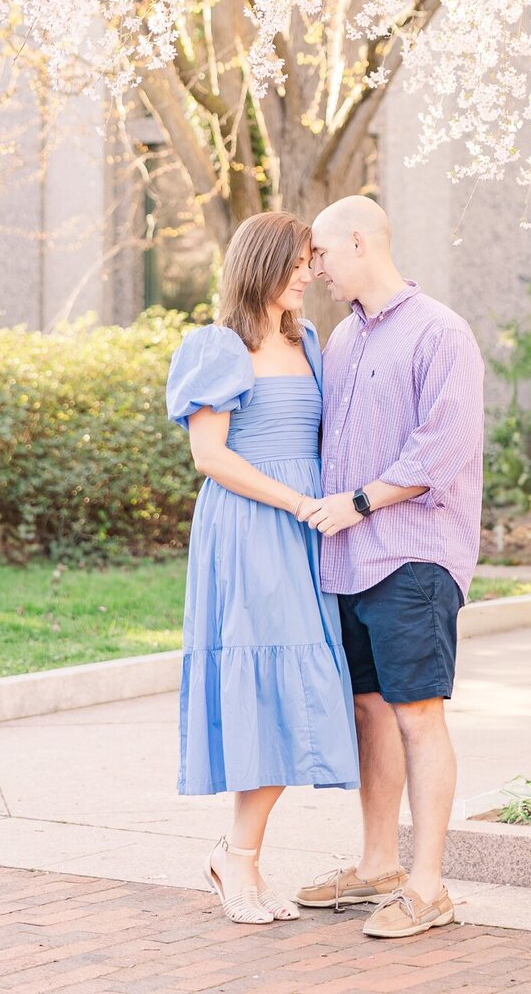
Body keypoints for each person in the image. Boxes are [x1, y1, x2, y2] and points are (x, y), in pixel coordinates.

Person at [295, 195, 484, 940]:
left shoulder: (441, 332)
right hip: (346, 563)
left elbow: (446, 447)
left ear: (359, 242)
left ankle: (428, 885)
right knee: (368, 710)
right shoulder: (340, 340)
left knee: (417, 714)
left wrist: (362, 501)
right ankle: (377, 866)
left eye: (321, 254)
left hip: (412, 555)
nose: (313, 269)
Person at [166, 210, 359, 926]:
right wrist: (295, 502)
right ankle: (238, 860)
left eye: (313, 261)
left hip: (305, 531)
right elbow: (210, 457)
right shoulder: (219, 345)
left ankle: (236, 854)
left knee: (293, 690)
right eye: (298, 262)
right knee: (266, 688)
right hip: (250, 530)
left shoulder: (306, 339)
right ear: (262, 265)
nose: (310, 274)